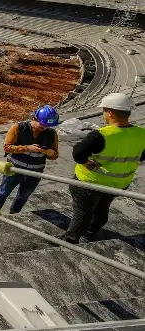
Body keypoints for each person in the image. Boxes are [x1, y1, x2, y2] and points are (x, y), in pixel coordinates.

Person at [61, 93, 145, 244]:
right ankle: (91, 232)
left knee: (82, 212)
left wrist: (86, 162)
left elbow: (78, 153)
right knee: (102, 208)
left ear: (111, 112)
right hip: (119, 184)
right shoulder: (142, 134)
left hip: (90, 181)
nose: (103, 114)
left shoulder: (102, 135)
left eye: (104, 111)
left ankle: (71, 238)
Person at [0, 105, 60, 213]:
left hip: (35, 172)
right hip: (15, 169)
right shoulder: (18, 127)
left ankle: (14, 214)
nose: (44, 129)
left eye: (47, 127)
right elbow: (7, 147)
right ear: (34, 119)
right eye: (42, 126)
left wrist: (49, 153)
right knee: (3, 192)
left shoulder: (51, 134)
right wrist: (27, 148)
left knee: (23, 196)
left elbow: (55, 155)